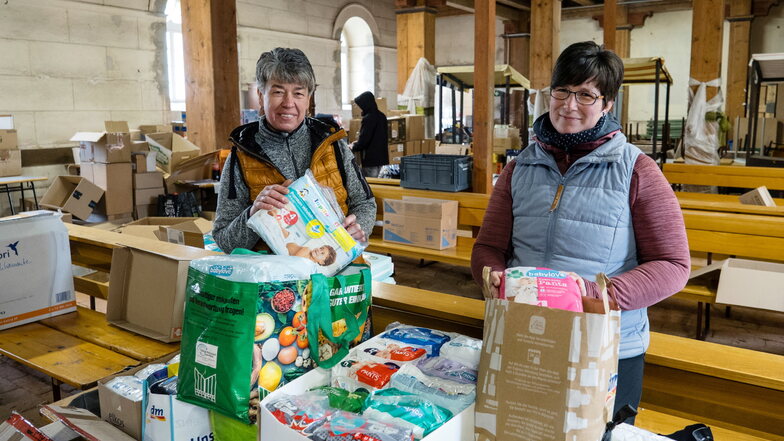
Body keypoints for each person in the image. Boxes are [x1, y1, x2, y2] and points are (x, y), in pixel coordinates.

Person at [470, 41, 690, 424]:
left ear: (607, 104)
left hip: (604, 346)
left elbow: (673, 264)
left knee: (599, 433)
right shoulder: (520, 167)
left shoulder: (636, 169)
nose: (569, 105)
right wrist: (493, 279)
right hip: (527, 335)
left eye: (586, 95)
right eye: (563, 91)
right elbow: (489, 246)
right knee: (524, 428)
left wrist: (594, 295)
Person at [213, 48, 376, 254]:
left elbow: (365, 203)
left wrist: (358, 227)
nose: (288, 103)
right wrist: (254, 213)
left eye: (298, 93)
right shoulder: (241, 156)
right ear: (261, 95)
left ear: (308, 98)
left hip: (334, 273)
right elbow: (224, 240)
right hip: (274, 281)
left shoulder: (333, 144)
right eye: (278, 92)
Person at [349, 91, 389, 178]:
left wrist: (353, 146)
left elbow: (364, 141)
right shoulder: (382, 116)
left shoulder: (368, 118)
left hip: (371, 160)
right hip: (383, 159)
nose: (360, 108)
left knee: (371, 186)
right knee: (380, 185)